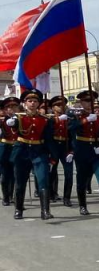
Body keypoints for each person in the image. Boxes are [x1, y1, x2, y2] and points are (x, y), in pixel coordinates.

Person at [8, 88, 56, 220]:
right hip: (22, 151)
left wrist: (53, 157)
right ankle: (18, 210)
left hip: (39, 151)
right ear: (24, 103)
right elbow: (13, 127)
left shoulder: (46, 120)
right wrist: (11, 123)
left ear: (39, 103)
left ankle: (45, 211)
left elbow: (49, 139)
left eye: (35, 101)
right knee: (20, 182)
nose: (32, 103)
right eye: (30, 101)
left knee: (43, 180)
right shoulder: (18, 117)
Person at [68, 90, 99, 213]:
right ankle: (82, 205)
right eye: (86, 101)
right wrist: (86, 120)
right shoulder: (75, 116)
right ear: (81, 102)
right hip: (82, 149)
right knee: (82, 178)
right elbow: (70, 128)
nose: (89, 103)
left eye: (91, 101)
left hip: (96, 150)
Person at [48, 96, 74, 207]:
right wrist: (58, 120)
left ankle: (67, 197)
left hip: (65, 147)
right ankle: (51, 194)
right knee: (51, 172)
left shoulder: (70, 120)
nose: (61, 107)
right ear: (53, 108)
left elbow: (73, 136)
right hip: (54, 147)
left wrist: (72, 151)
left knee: (69, 174)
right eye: (58, 105)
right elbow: (47, 134)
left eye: (63, 105)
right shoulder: (49, 120)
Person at [0, 96, 19, 206]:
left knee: (15, 174)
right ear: (5, 109)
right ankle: (6, 197)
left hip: (16, 148)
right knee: (5, 174)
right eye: (9, 107)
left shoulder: (21, 119)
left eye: (14, 106)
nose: (11, 109)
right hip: (5, 147)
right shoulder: (2, 120)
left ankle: (11, 196)